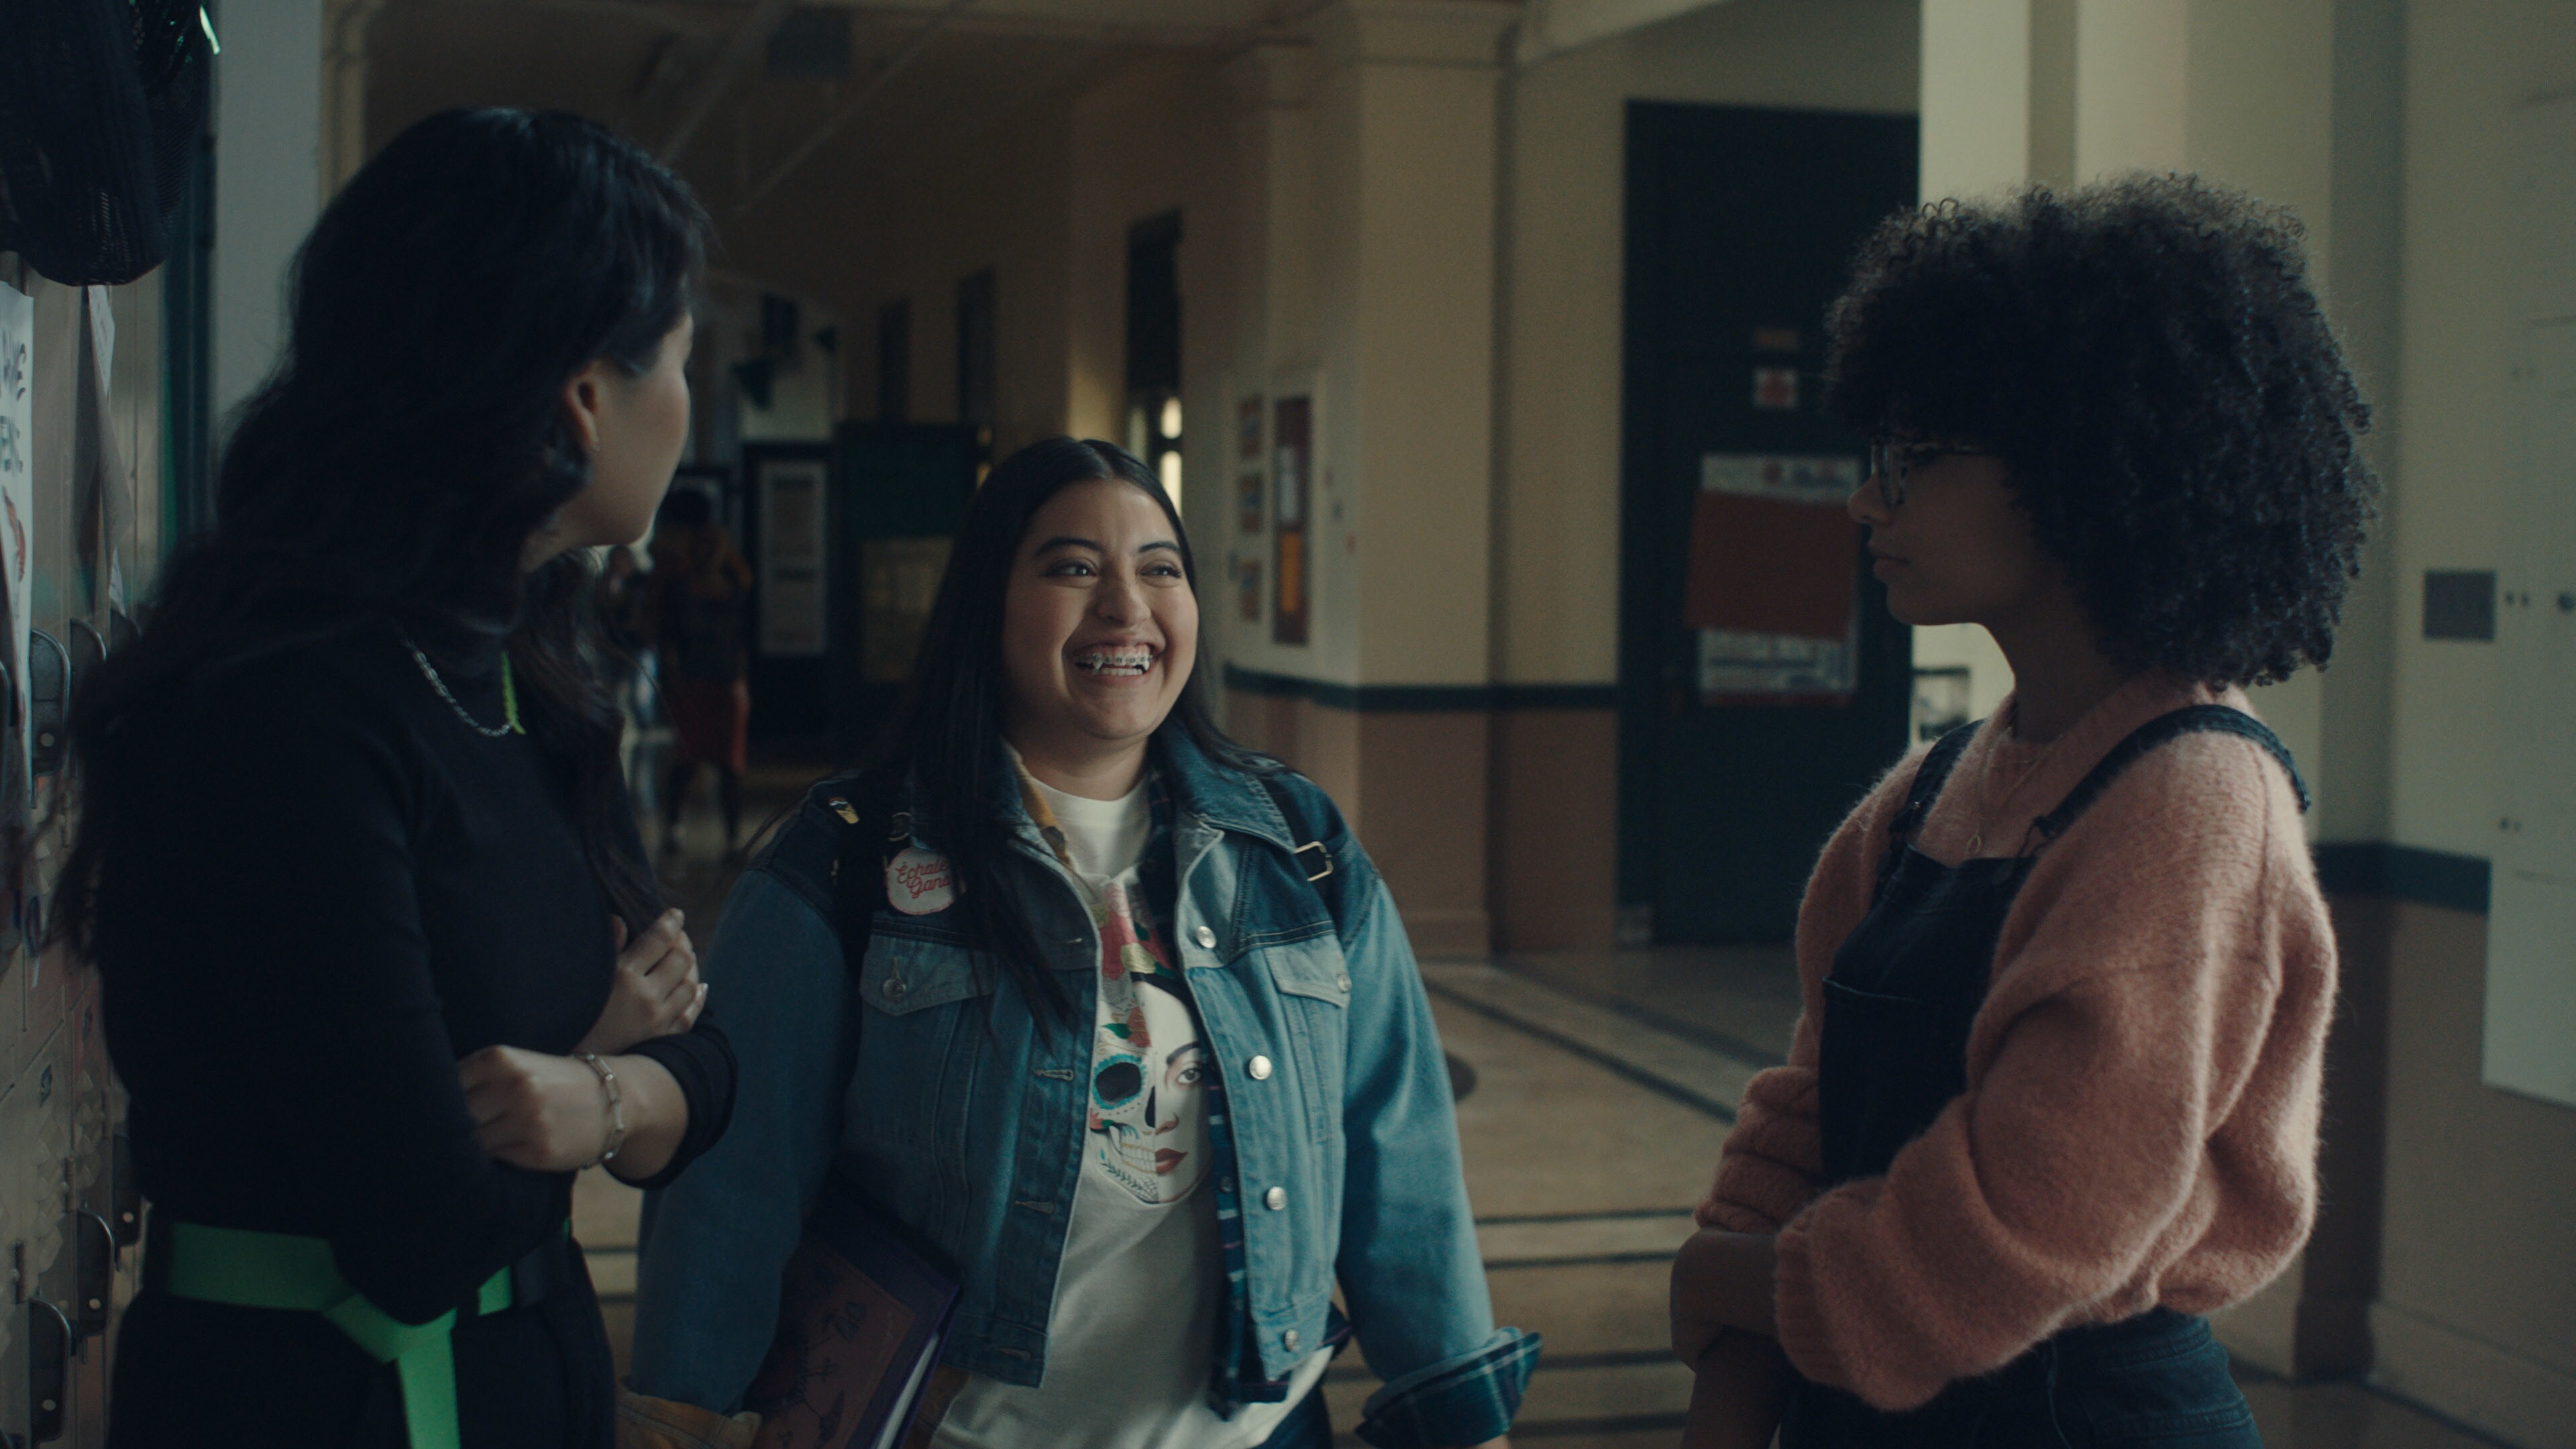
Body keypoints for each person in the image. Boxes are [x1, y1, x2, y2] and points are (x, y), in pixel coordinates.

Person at [626, 437, 1536, 1449]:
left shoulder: (1295, 846)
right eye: (1072, 567)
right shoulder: (845, 864)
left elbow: (1399, 1153)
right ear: (988, 602)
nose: (1126, 607)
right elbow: (732, 1191)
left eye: (1160, 568)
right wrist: (680, 1411)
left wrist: (1461, 1412)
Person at [57, 109, 737, 1449]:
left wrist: (593, 1093)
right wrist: (606, 1051)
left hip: (523, 1385)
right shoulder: (279, 714)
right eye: (678, 358)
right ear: (582, 398)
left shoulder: (527, 676)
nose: (687, 404)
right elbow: (419, 1231)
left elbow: (708, 1068)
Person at [1668, 174, 2374, 1448]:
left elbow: (2039, 1215)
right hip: (1862, 1399)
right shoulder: (1929, 792)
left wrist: (1747, 1287)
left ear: (2078, 465)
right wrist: (1732, 1363)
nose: (1865, 501)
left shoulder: (2194, 800)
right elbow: (1808, 1103)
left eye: (1913, 460)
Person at [649, 487, 755, 857]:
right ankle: (674, 829)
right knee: (684, 762)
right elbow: (667, 637)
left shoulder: (735, 587)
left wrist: (742, 682)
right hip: (691, 684)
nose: (711, 550)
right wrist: (673, 679)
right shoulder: (678, 586)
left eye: (717, 544)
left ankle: (732, 836)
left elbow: (742, 639)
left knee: (731, 767)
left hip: (726, 683)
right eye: (704, 543)